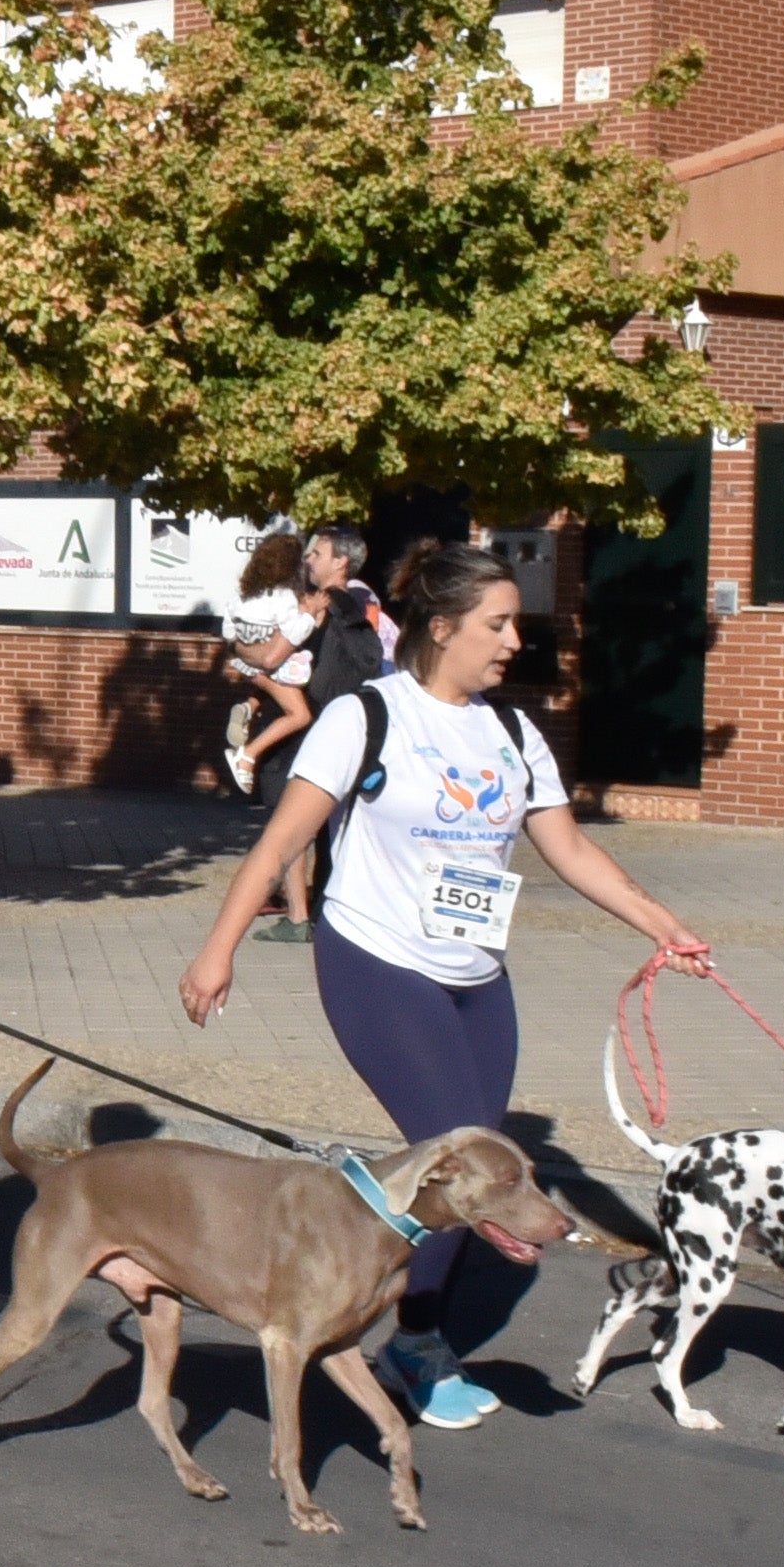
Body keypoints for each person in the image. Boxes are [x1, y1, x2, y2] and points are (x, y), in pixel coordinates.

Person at [177, 540, 711, 1429]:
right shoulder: (365, 717)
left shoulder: (511, 731)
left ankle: (383, 1316)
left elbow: (568, 848)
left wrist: (663, 925)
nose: (511, 644)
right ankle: (414, 1343)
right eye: (496, 626)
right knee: (455, 1158)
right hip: (375, 960)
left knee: (473, 1160)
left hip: (477, 974)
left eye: (514, 627)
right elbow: (280, 844)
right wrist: (218, 949)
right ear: (441, 627)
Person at [216, 528, 317, 802]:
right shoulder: (284, 598)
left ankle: (248, 707)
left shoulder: (241, 597)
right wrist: (309, 616)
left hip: (248, 666)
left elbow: (228, 633)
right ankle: (247, 756)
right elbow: (293, 634)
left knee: (270, 687)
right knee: (300, 715)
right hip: (274, 668)